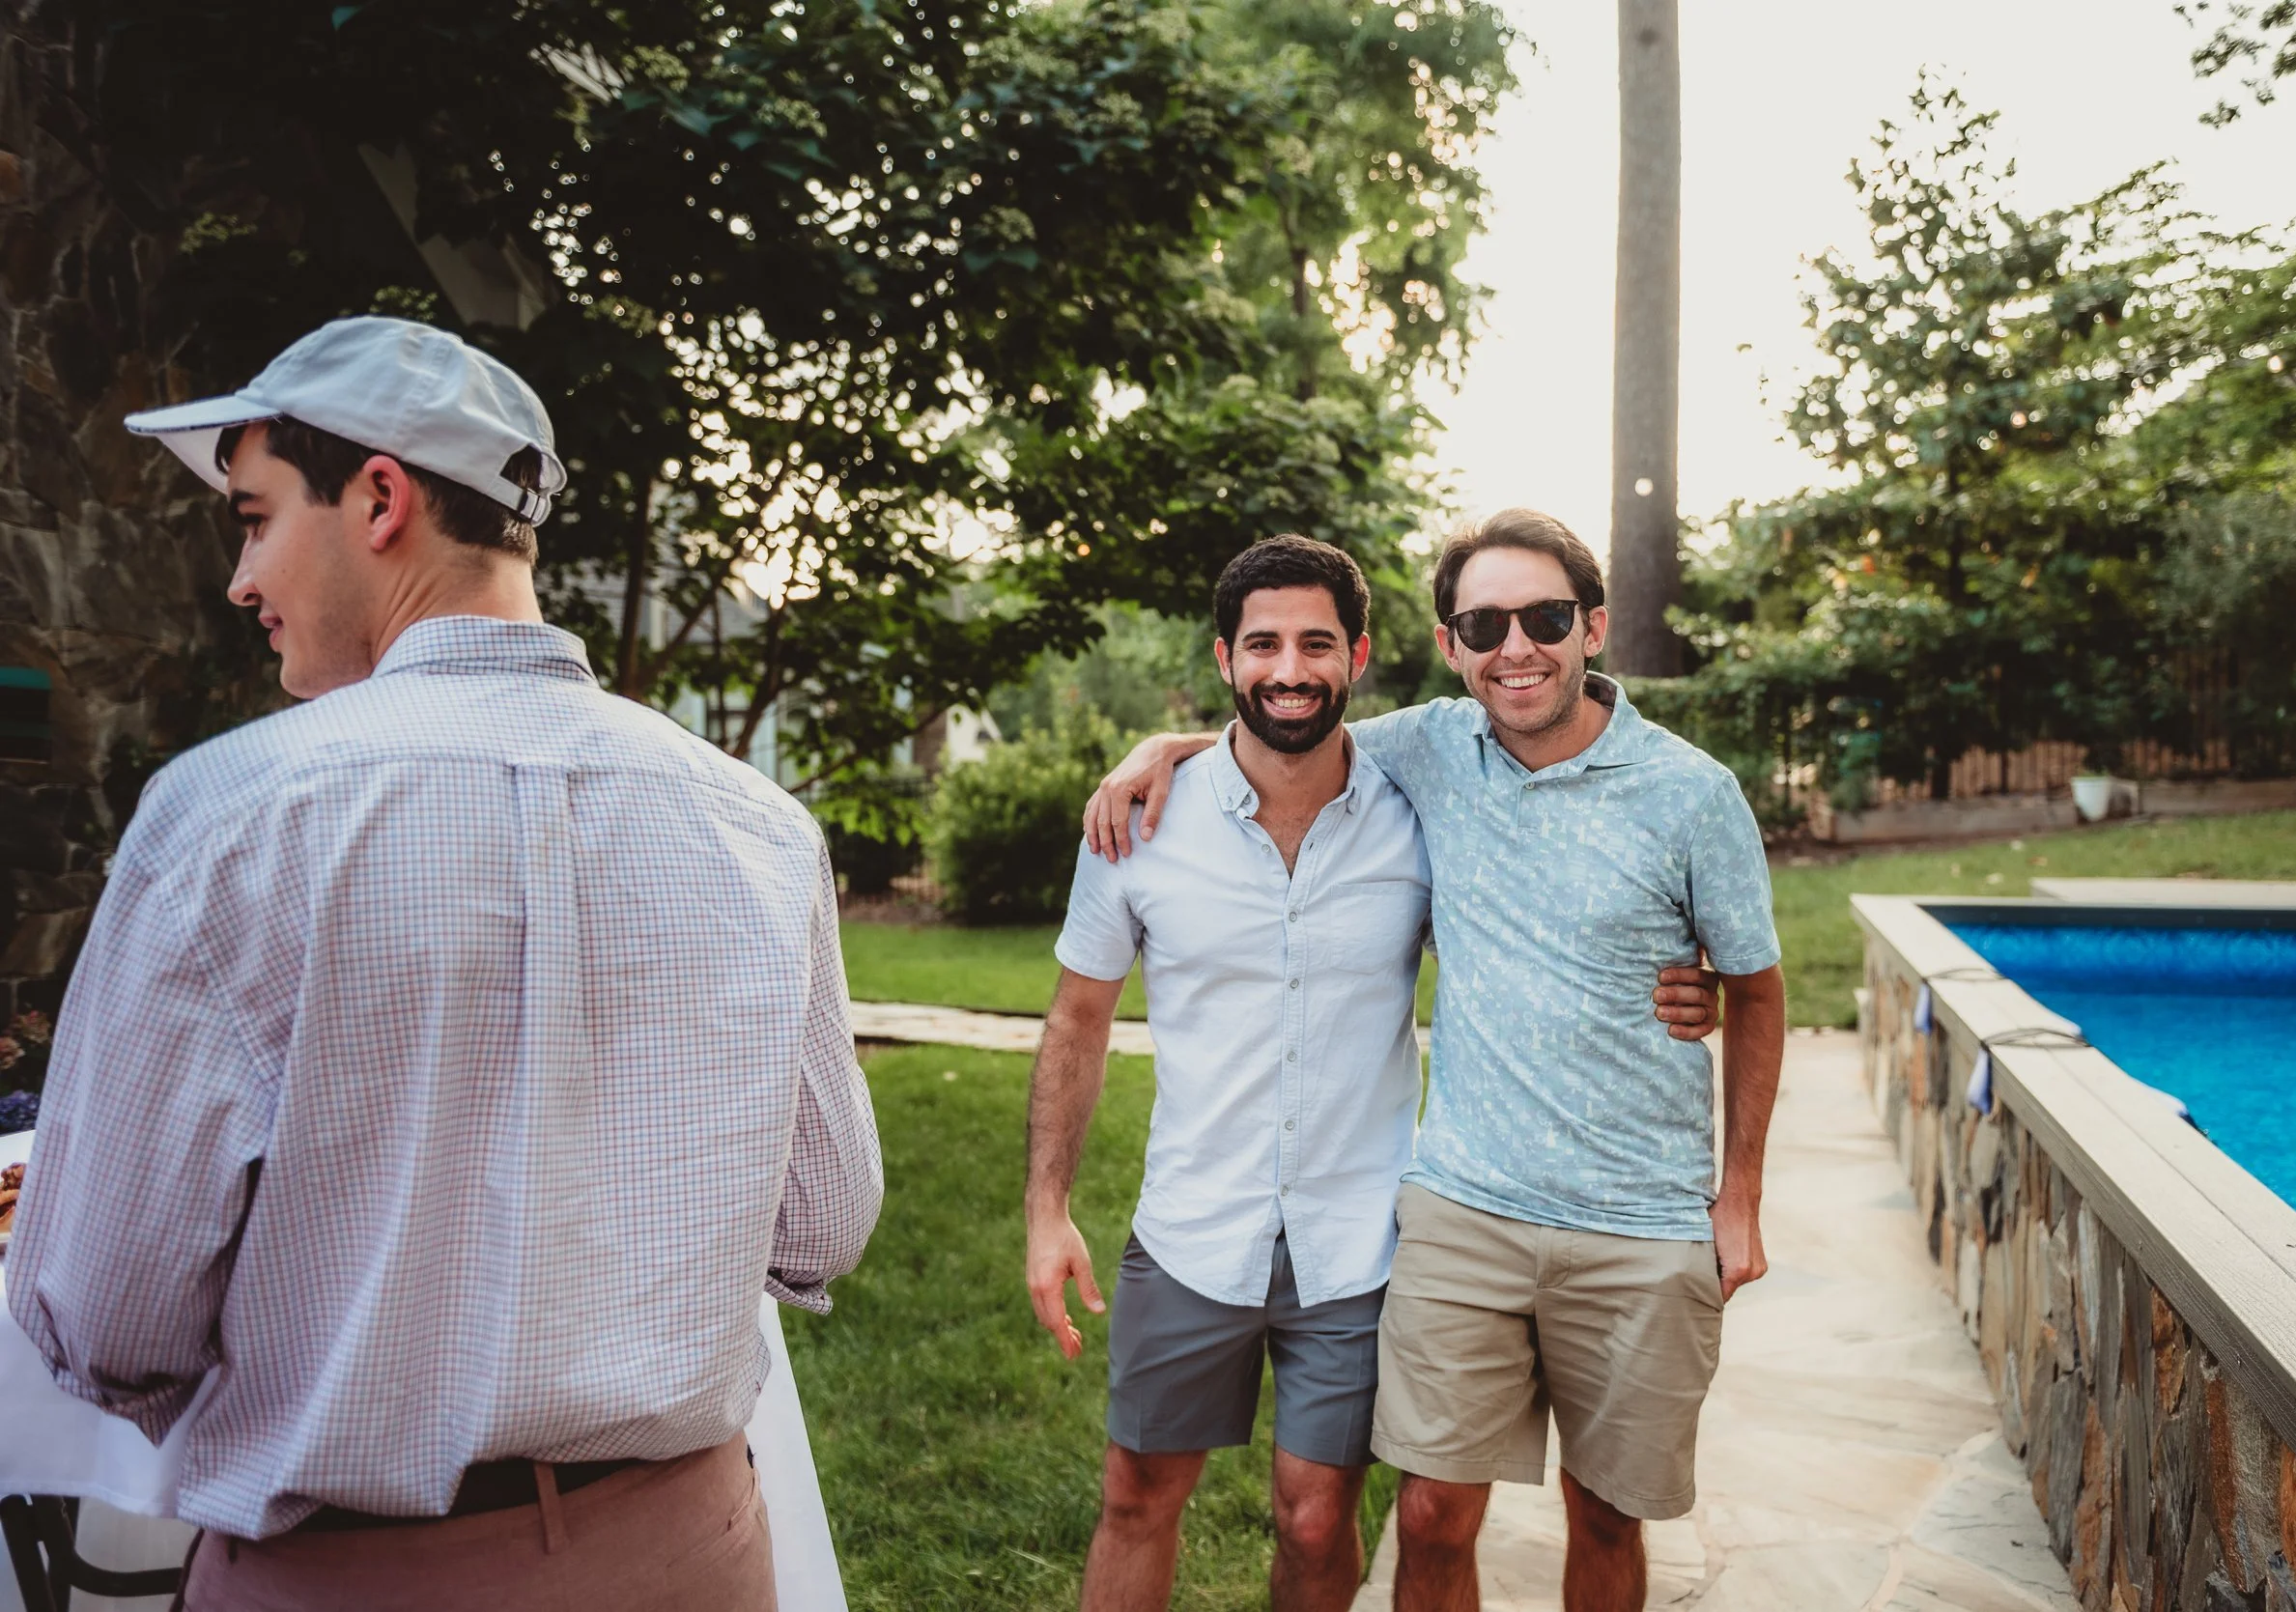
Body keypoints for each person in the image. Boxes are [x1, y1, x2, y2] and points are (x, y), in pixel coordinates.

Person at [6, 316, 883, 1611]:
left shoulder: (230, 815)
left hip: (358, 1571)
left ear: (378, 496)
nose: (244, 578)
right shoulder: (752, 821)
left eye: (254, 517)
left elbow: (105, 1312)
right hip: (688, 1551)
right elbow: (823, 1225)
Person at [1084, 508, 1787, 1612]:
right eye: (1484, 623)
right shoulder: (1433, 746)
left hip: (1642, 1217)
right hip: (1463, 1210)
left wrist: (1737, 1192)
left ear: (1592, 626)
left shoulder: (1692, 793)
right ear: (1451, 645)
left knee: (1605, 1513)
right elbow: (1281, 721)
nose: (1515, 647)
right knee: (1427, 1515)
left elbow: (1755, 987)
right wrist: (1155, 750)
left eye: (1544, 618)